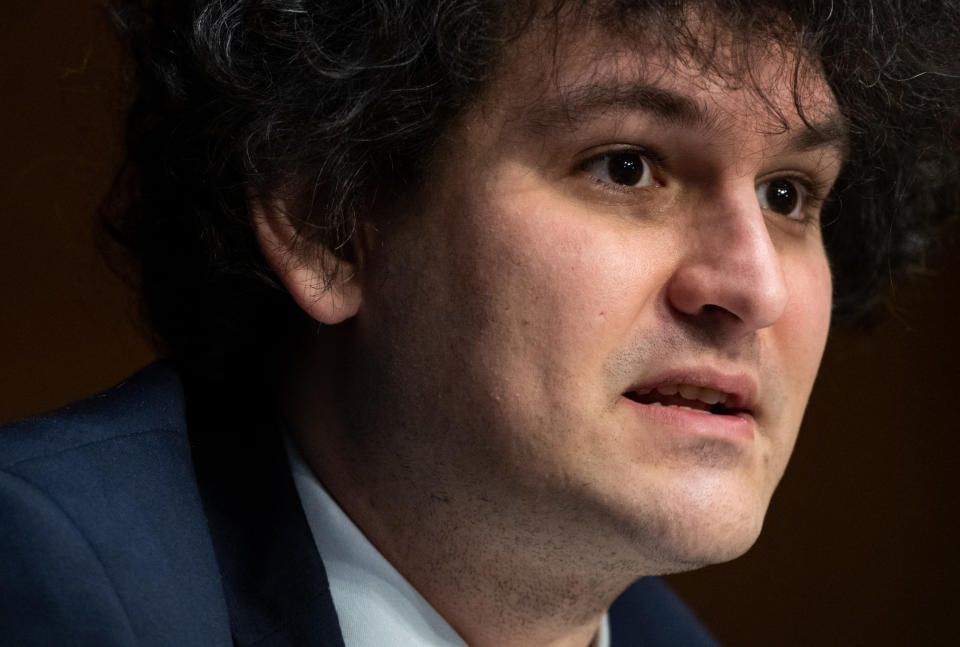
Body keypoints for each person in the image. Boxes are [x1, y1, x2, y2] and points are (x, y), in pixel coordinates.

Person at [1, 1, 957, 645]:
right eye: (627, 166)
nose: (752, 288)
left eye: (790, 194)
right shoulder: (59, 578)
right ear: (327, 220)